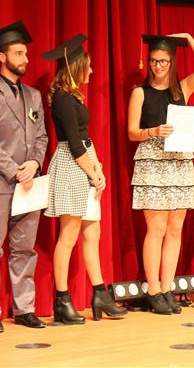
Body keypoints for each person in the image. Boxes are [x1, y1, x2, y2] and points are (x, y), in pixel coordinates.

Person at [41, 34, 127, 323]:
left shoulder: (74, 97)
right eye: (88, 66)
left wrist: (98, 167)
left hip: (85, 165)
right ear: (76, 68)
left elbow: (85, 137)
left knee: (93, 233)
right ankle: (62, 300)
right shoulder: (62, 99)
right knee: (68, 236)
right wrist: (92, 173)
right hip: (70, 166)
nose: (91, 71)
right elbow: (74, 143)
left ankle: (100, 293)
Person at [0, 21, 49, 332]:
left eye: (26, 53)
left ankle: (24, 308)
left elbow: (41, 136)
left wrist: (34, 162)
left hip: (30, 182)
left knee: (25, 248)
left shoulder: (33, 95)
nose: (25, 58)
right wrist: (15, 169)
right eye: (19, 53)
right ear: (2, 57)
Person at [127, 33, 194, 315]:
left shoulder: (182, 89)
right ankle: (153, 290)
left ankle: (166, 288)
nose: (158, 66)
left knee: (175, 228)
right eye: (154, 61)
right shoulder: (140, 93)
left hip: (178, 161)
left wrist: (189, 38)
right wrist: (153, 131)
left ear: (172, 62)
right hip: (152, 161)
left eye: (163, 61)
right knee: (157, 228)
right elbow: (132, 132)